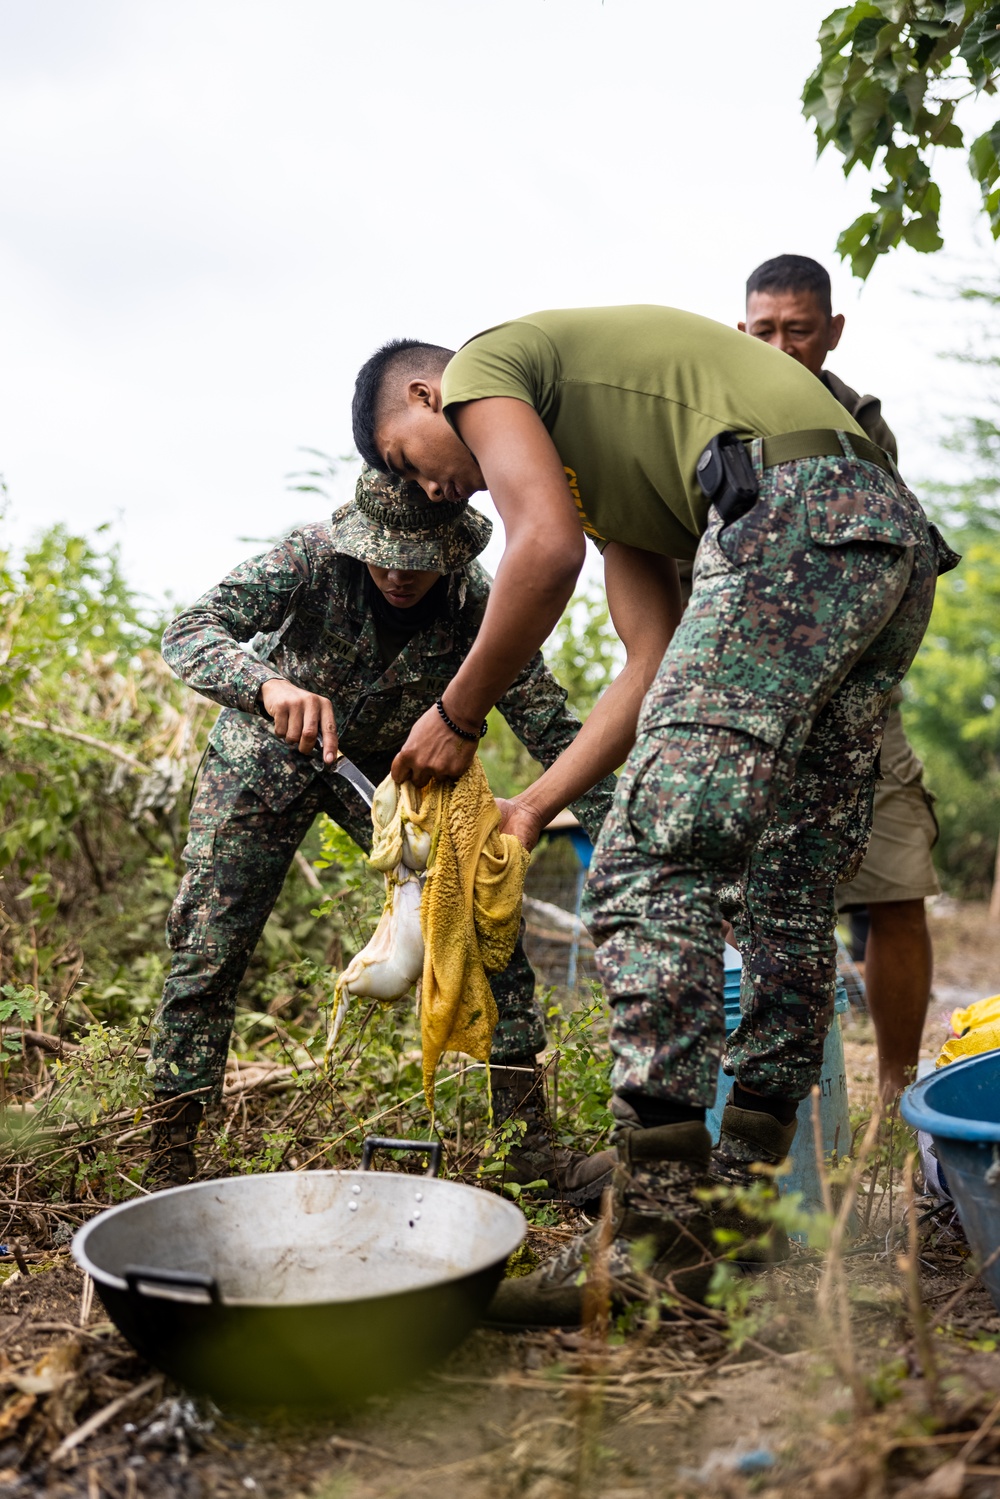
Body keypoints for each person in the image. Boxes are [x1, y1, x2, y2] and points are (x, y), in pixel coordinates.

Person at [351, 305, 954, 1323]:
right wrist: (534, 801)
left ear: (423, 395)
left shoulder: (485, 368)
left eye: (406, 457)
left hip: (794, 517)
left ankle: (656, 1234)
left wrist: (457, 712)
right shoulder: (620, 486)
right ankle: (734, 1205)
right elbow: (652, 661)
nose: (427, 485)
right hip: (878, 543)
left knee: (646, 864)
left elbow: (540, 551)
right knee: (786, 885)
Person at [151, 467, 617, 1195]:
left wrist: (628, 828)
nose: (399, 573)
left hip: (387, 771)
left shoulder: (475, 604)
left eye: (419, 557)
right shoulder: (307, 561)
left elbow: (553, 725)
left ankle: (531, 1158)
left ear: (450, 548)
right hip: (261, 761)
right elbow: (188, 632)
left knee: (485, 918)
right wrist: (270, 686)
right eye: (383, 552)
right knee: (209, 949)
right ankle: (167, 1164)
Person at [740, 254, 941, 1100]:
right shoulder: (710, 414)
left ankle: (894, 1100)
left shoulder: (864, 426)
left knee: (896, 890)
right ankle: (779, 1110)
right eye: (763, 331)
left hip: (855, 697)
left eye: (798, 330)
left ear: (832, 331)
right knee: (749, 908)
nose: (781, 348)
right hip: (742, 696)